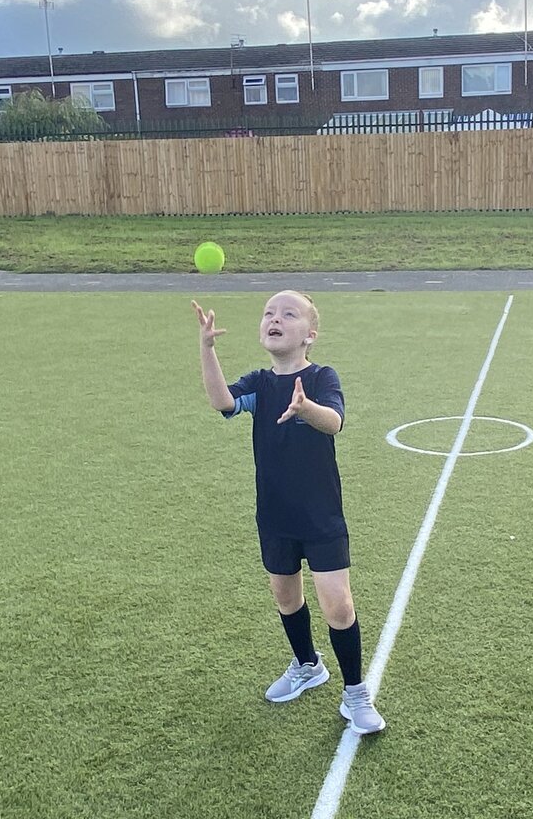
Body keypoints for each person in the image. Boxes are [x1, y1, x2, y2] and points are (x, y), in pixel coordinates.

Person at [192, 291, 385, 735]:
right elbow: (222, 402)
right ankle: (307, 665)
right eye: (268, 313)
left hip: (321, 517)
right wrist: (207, 349)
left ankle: (355, 693)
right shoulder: (260, 383)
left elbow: (334, 422)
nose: (274, 318)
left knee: (337, 603)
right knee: (286, 597)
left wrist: (305, 408)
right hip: (275, 516)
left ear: (309, 334)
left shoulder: (321, 377)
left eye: (288, 313)